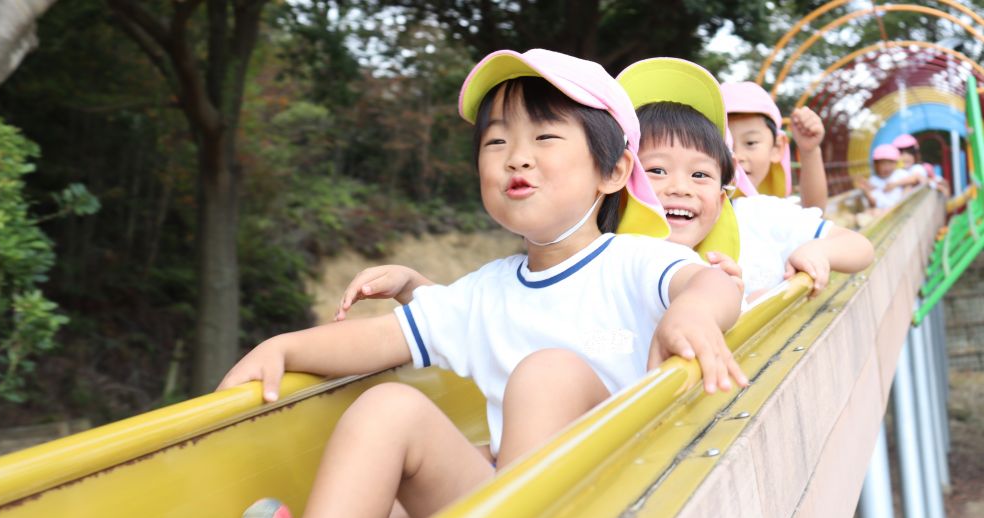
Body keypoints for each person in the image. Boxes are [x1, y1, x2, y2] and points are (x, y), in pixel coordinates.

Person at [221, 48, 747, 518]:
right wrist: (285, 347)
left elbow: (708, 282)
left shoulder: (636, 262)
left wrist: (693, 313)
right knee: (387, 409)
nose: (516, 156)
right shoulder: (484, 293)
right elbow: (380, 340)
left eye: (545, 136)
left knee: (547, 374)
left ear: (614, 171)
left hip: (608, 517)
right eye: (496, 143)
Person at [338, 59, 873, 317]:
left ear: (728, 184)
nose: (677, 189)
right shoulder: (614, 249)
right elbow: (503, 306)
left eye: (700, 174)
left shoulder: (757, 221)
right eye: (657, 171)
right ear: (626, 177)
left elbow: (861, 245)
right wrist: (413, 286)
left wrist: (815, 248)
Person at [721, 81, 829, 211]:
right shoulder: (699, 207)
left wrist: (810, 151)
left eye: (750, 143)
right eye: (725, 145)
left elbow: (814, 212)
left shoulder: (773, 210)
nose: (737, 156)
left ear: (777, 148)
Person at [856, 144, 907, 213]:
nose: (887, 167)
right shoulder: (873, 180)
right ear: (876, 165)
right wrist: (866, 191)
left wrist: (895, 184)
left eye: (890, 163)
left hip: (901, 207)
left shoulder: (899, 174)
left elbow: (914, 180)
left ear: (896, 163)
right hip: (884, 210)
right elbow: (874, 202)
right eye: (883, 164)